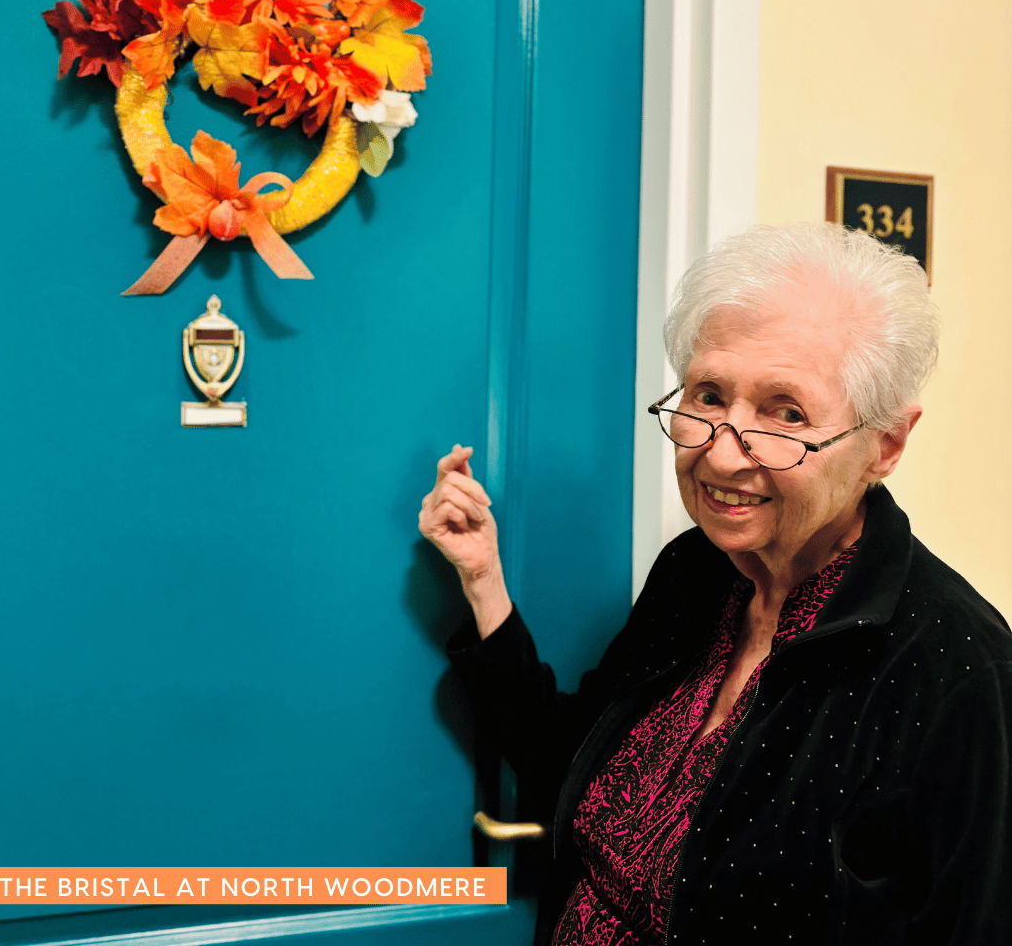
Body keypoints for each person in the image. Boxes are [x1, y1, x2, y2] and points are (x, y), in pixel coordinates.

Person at [419, 222, 1012, 946]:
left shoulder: (955, 667)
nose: (721, 455)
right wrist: (483, 580)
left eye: (784, 412)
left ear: (885, 443)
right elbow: (571, 765)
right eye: (707, 395)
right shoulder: (696, 572)